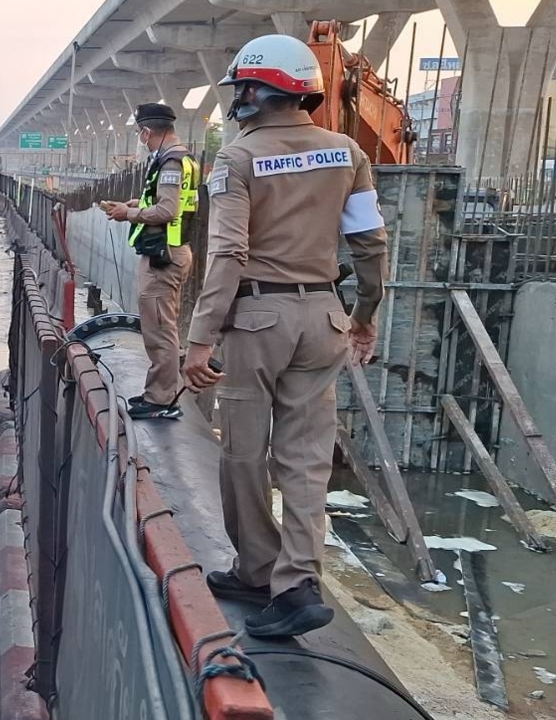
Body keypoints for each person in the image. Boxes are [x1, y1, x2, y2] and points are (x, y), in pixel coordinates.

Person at [182, 35, 387, 638]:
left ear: (256, 90)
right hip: (325, 317)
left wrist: (200, 336)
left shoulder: (238, 160)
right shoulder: (346, 153)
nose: (238, 99)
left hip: (258, 319)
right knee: (304, 458)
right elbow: (370, 243)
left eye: (241, 88)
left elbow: (226, 253)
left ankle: (255, 570)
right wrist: (365, 313)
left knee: (245, 451)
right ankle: (297, 582)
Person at [105, 102, 200, 420]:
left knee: (160, 329)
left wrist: (128, 214)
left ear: (147, 131)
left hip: (165, 256)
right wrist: (137, 203)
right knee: (160, 326)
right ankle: (156, 393)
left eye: (141, 134)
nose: (142, 140)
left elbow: (168, 211)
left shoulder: (171, 163)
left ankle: (162, 400)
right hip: (168, 252)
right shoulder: (179, 159)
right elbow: (166, 203)